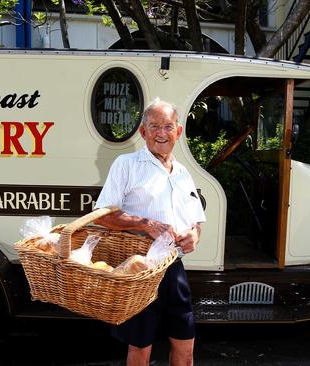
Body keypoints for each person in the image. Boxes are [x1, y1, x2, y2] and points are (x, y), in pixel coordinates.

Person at [94, 98, 206, 366]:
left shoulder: (182, 174)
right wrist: (145, 224)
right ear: (143, 132)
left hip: (174, 270)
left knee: (186, 348)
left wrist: (194, 236)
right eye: (154, 126)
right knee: (140, 350)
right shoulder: (127, 164)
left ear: (178, 132)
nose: (161, 133)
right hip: (139, 270)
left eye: (168, 126)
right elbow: (104, 216)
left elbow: (196, 223)